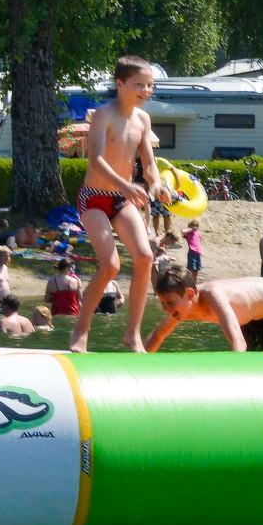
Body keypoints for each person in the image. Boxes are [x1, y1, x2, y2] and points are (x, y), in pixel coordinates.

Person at [68, 57, 169, 353]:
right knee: (110, 265)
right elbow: (96, 159)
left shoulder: (143, 120)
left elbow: (148, 163)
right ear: (120, 84)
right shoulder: (103, 114)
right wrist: (127, 184)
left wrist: (156, 184)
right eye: (140, 85)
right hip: (94, 198)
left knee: (144, 257)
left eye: (150, 85)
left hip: (121, 200)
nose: (146, 90)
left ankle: (132, 334)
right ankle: (81, 330)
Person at [145, 267, 263, 353]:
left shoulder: (213, 296)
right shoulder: (180, 307)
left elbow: (238, 343)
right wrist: (137, 364)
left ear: (189, 294)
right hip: (252, 321)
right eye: (163, 303)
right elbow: (158, 335)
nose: (165, 309)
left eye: (169, 303)